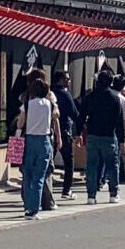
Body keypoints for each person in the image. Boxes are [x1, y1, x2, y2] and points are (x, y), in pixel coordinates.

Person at [16, 70, 60, 220]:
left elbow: (20, 123)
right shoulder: (49, 104)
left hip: (29, 140)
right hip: (44, 140)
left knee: (27, 175)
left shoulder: (27, 105)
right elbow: (56, 115)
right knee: (39, 176)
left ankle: (28, 207)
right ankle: (34, 208)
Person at [80, 71, 124, 205]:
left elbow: (81, 116)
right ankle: (113, 194)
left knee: (92, 165)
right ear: (111, 82)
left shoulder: (90, 97)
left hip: (93, 135)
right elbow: (119, 121)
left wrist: (81, 132)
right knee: (112, 165)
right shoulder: (114, 98)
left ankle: (91, 196)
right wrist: (122, 139)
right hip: (109, 135)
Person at [51, 71, 80, 201]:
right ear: (60, 80)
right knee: (69, 162)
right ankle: (66, 190)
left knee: (48, 162)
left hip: (50, 132)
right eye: (66, 79)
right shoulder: (65, 95)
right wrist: (81, 126)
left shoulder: (50, 94)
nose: (69, 81)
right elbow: (74, 113)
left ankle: (47, 190)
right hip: (64, 131)